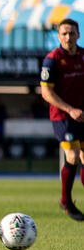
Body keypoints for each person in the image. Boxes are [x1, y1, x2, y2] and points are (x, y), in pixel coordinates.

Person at [40, 18, 84, 221]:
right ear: (59, 36)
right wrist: (70, 109)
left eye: (72, 33)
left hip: (82, 114)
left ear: (78, 35)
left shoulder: (83, 56)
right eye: (64, 33)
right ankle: (66, 201)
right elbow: (46, 93)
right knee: (73, 156)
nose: (68, 37)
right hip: (63, 116)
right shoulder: (52, 60)